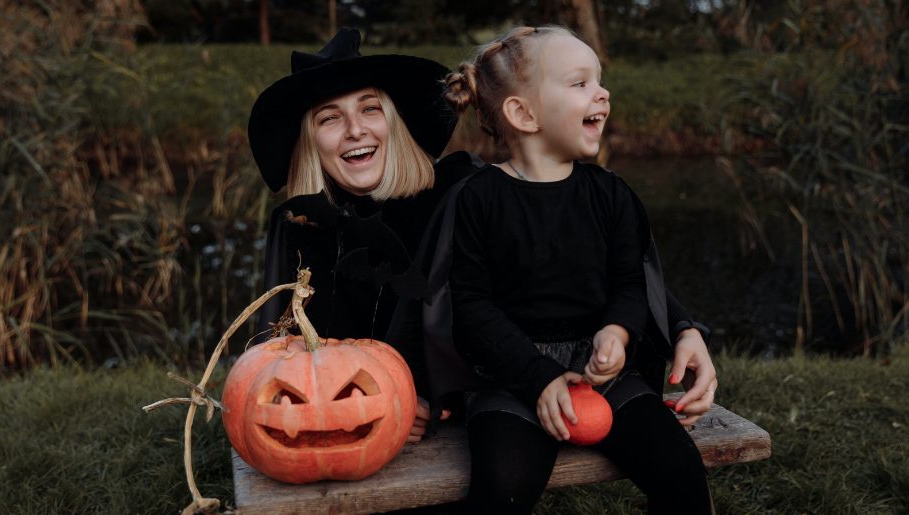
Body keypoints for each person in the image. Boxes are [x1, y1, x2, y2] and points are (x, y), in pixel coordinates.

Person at [437, 26, 718, 513]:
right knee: (503, 483)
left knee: (680, 471)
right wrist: (538, 376)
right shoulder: (479, 200)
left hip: (604, 371)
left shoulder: (610, 194)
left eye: (600, 81)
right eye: (580, 83)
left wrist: (618, 330)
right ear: (523, 114)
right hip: (512, 374)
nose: (602, 93)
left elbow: (631, 282)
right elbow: (472, 307)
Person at [247, 28, 466, 442]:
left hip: (440, 420)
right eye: (330, 118)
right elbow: (276, 350)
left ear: (394, 122)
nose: (354, 130)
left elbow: (486, 320)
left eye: (370, 109)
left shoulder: (454, 200)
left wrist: (442, 400)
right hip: (336, 426)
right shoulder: (298, 227)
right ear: (311, 143)